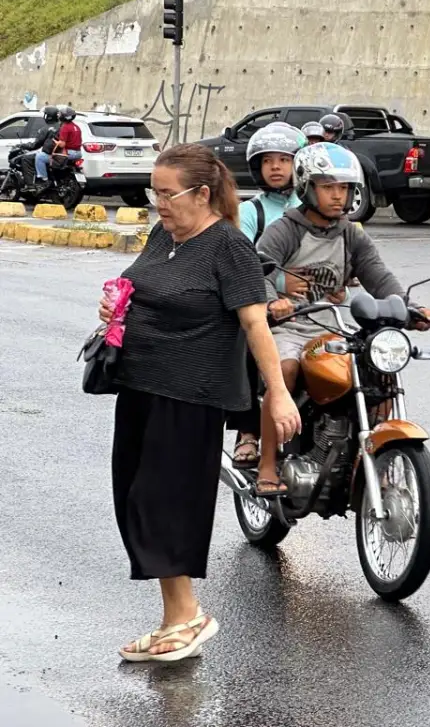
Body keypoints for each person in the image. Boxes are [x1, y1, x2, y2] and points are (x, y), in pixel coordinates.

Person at [99, 143, 301, 663]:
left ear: (202, 193)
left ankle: (188, 614)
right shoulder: (161, 235)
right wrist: (116, 308)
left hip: (191, 395)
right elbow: (145, 289)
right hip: (140, 387)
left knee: (165, 502)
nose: (159, 203)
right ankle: (175, 619)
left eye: (168, 194)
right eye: (155, 193)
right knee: (134, 499)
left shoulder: (228, 246)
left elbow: (255, 323)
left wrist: (277, 394)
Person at [253, 142, 430, 496]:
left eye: (344, 188)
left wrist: (411, 309)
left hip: (333, 325)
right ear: (307, 187)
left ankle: (369, 459)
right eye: (328, 187)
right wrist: (272, 301)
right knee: (284, 372)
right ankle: (268, 463)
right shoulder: (285, 229)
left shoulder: (351, 233)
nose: (338, 196)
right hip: (289, 326)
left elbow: (379, 277)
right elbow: (257, 269)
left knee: (377, 372)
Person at [226, 124, 306, 469]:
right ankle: (248, 431)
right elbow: (243, 263)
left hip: (313, 309)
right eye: (268, 161)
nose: (275, 167)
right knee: (248, 342)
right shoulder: (251, 212)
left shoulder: (314, 206)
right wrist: (280, 290)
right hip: (264, 305)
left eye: (284, 160)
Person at [35, 106, 82, 189]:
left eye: (60, 114)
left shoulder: (65, 127)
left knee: (40, 157)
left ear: (63, 117)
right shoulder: (76, 127)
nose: (59, 115)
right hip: (78, 153)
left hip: (68, 154)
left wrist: (55, 141)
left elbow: (62, 144)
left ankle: (44, 180)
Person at [15, 106, 60, 188]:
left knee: (26, 158)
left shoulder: (46, 129)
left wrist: (23, 145)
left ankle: (30, 185)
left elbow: (35, 145)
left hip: (50, 154)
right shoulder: (61, 126)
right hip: (60, 153)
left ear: (48, 116)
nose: (44, 116)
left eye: (45, 114)